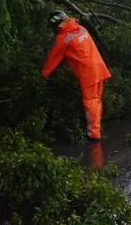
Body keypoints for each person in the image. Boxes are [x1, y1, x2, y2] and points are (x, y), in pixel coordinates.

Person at [41, 10, 111, 141]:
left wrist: (42, 77)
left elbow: (52, 60)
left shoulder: (63, 39)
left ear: (57, 26)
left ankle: (94, 134)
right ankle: (97, 128)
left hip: (88, 73)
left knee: (90, 102)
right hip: (99, 67)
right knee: (96, 100)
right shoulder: (81, 28)